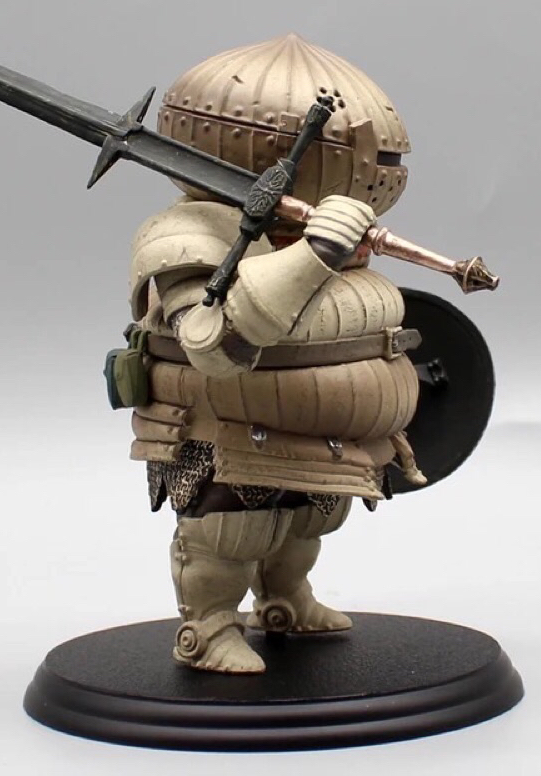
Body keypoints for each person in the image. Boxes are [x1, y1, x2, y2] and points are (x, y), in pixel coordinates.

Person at [128, 34, 423, 673]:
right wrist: (314, 253)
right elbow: (213, 343)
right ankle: (208, 626)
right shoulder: (186, 234)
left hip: (328, 430)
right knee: (230, 531)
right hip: (227, 425)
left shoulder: (332, 232)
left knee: (307, 520)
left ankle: (285, 597)